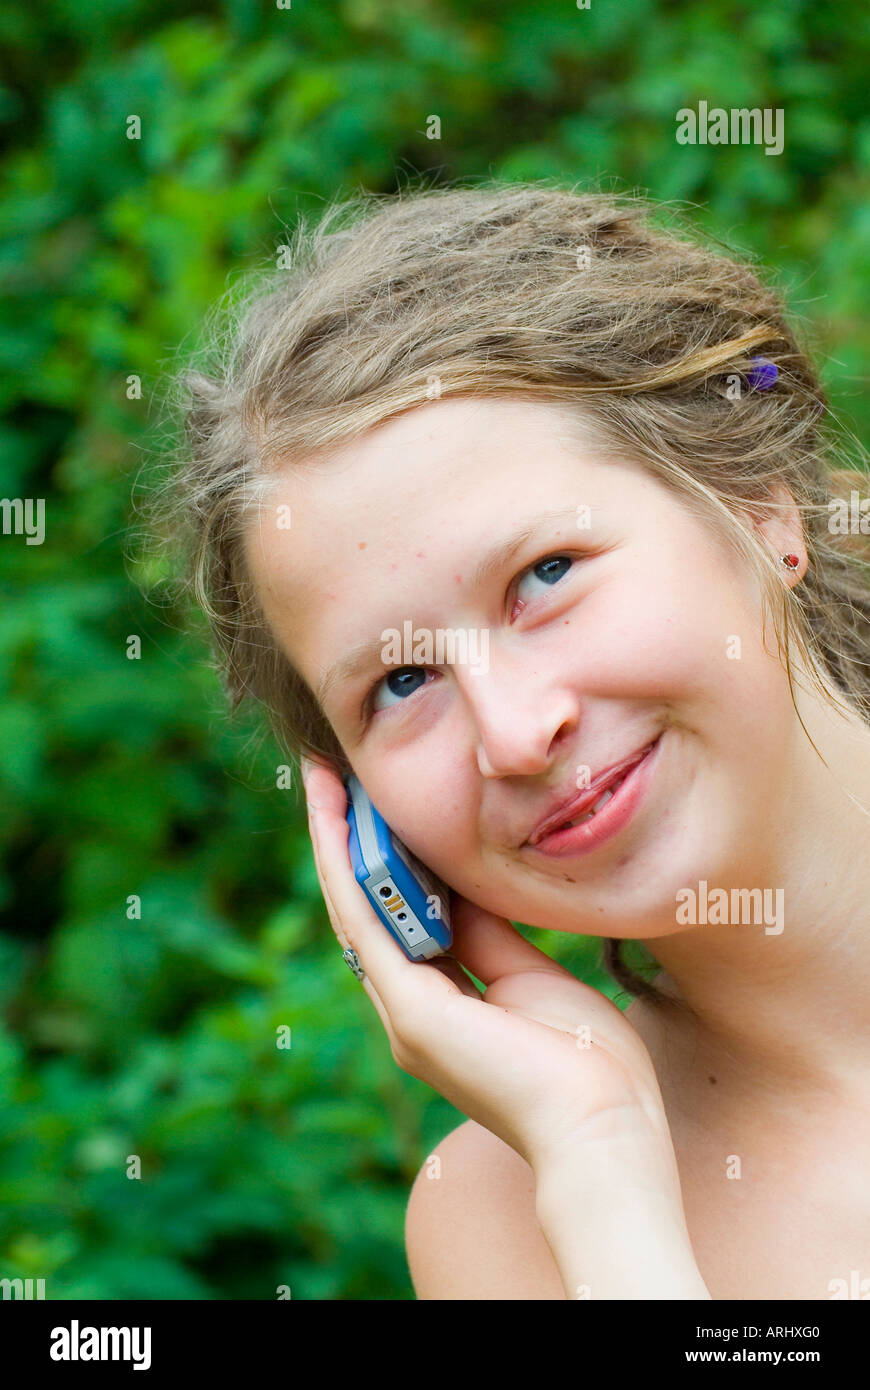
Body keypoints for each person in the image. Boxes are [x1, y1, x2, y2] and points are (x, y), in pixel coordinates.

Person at [159, 182, 870, 1299]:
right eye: (400, 682)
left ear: (758, 501)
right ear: (357, 811)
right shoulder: (504, 1225)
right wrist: (600, 1174)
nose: (517, 732)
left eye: (544, 576)